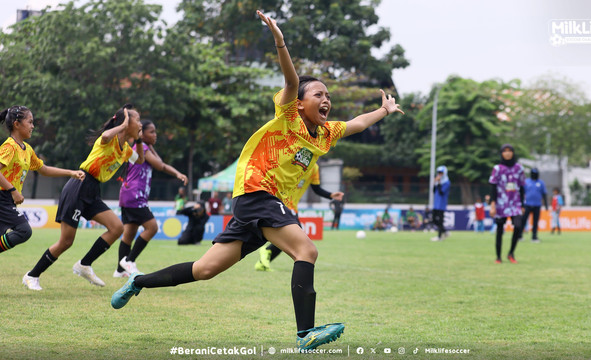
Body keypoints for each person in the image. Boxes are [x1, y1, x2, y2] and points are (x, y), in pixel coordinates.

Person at [111, 10, 403, 352]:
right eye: (319, 95)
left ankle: (138, 282)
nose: (326, 100)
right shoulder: (288, 114)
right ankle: (304, 333)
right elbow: (292, 82)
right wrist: (280, 41)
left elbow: (356, 123)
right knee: (306, 250)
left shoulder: (325, 134)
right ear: (300, 103)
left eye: (328, 97)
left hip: (258, 203)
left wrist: (384, 110)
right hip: (257, 192)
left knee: (205, 269)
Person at [23, 104, 144, 291]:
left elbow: (140, 160)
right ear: (125, 123)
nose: (140, 123)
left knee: (116, 227)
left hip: (93, 189)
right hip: (79, 185)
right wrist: (123, 125)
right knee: (66, 242)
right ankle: (32, 275)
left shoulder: (126, 149)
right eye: (137, 120)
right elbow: (104, 136)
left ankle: (84, 264)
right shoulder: (107, 140)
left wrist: (140, 140)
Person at [0, 106, 85, 255]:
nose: (33, 126)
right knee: (24, 230)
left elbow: (43, 169)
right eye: (30, 122)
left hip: (7, 200)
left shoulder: (26, 149)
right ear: (17, 124)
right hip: (2, 198)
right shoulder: (9, 147)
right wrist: (13, 191)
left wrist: (70, 173)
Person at [115, 120, 189, 278]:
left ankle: (120, 270)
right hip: (135, 195)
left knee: (129, 232)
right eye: (152, 132)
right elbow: (160, 165)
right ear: (142, 134)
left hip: (128, 194)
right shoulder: (144, 148)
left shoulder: (144, 148)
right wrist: (177, 174)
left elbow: (159, 161)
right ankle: (129, 261)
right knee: (152, 227)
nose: (155, 135)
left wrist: (150, 143)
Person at [254, 163, 343, 271]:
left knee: (290, 239)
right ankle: (268, 251)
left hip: (293, 207)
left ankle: (262, 262)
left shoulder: (314, 168)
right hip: (282, 204)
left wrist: (330, 195)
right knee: (297, 239)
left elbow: (316, 188)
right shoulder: (294, 161)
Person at [489, 144, 525, 264]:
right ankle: (498, 256)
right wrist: (493, 205)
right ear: (501, 153)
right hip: (501, 203)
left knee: (518, 226)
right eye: (505, 151)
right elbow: (493, 187)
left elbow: (522, 187)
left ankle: (511, 253)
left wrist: (523, 205)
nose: (507, 153)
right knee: (500, 229)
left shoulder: (519, 168)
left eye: (510, 151)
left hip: (515, 203)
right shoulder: (497, 168)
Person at [522, 168, 548, 243]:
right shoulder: (526, 182)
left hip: (537, 205)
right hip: (527, 204)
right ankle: (519, 235)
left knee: (535, 222)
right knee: (523, 220)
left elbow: (544, 194)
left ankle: (534, 236)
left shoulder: (541, 183)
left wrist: (546, 205)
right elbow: (521, 193)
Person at [431, 165, 450, 241]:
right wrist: (435, 183)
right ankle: (445, 231)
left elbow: (441, 192)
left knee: (440, 221)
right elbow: (434, 191)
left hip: (441, 204)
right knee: (434, 220)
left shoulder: (447, 182)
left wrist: (438, 182)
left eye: (441, 172)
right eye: (438, 172)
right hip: (436, 204)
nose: (439, 174)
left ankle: (439, 237)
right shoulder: (437, 181)